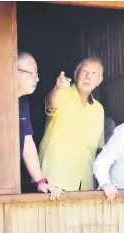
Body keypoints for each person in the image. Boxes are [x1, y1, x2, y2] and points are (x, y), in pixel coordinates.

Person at [39, 56, 105, 191]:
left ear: (99, 80)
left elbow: (98, 149)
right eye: (84, 71)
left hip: (84, 182)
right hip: (55, 179)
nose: (88, 76)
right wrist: (57, 88)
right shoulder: (61, 93)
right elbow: (51, 102)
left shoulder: (98, 109)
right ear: (76, 74)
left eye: (94, 73)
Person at [17, 52, 63, 200]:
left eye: (37, 73)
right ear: (14, 71)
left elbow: (27, 142)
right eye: (32, 73)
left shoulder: (22, 102)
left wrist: (40, 181)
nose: (37, 78)